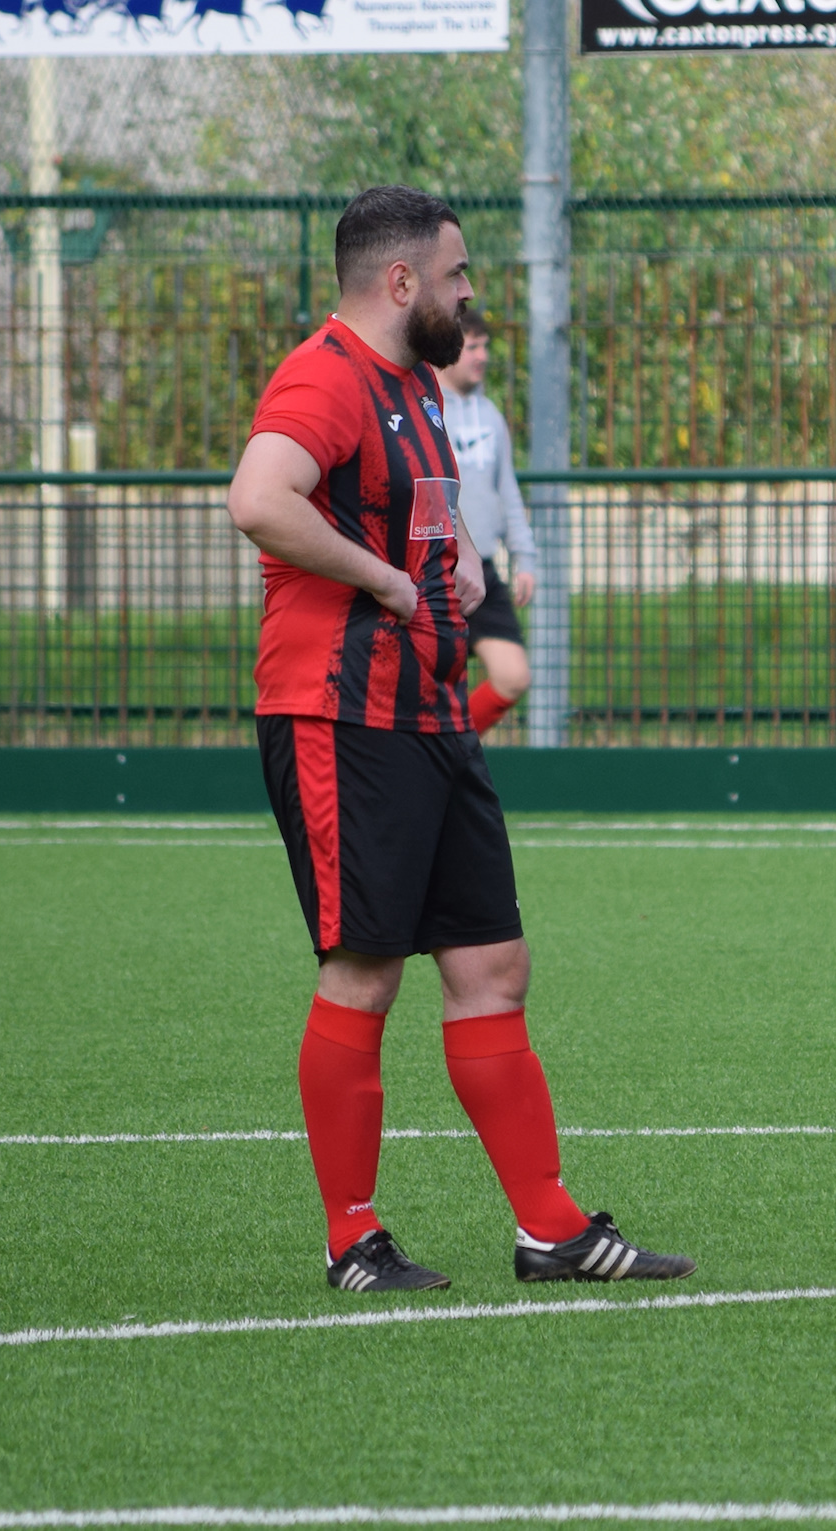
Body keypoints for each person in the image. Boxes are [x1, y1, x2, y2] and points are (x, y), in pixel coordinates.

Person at [227, 183, 693, 1294]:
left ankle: (551, 1229)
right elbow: (259, 497)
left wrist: (460, 565)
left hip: (429, 713)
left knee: (491, 964)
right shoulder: (324, 374)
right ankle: (352, 1239)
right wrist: (390, 579)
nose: (470, 291)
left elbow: (421, 513)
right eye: (458, 274)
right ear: (402, 282)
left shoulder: (415, 387)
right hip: (342, 715)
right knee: (365, 970)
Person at [441, 307, 538, 734]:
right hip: (436, 570)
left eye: (485, 346)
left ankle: (453, 750)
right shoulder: (425, 408)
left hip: (481, 567)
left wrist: (525, 557)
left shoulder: (492, 416)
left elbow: (508, 492)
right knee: (430, 686)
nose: (482, 356)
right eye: (472, 346)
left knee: (513, 675)